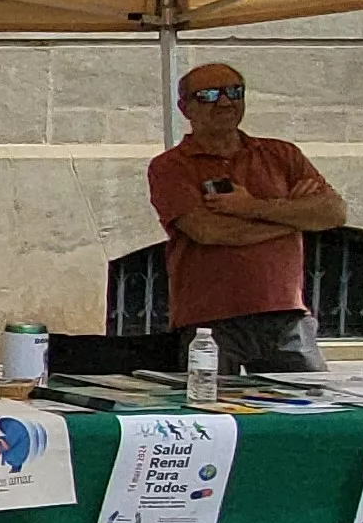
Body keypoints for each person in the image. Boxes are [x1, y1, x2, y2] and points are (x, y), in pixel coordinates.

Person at [147, 62, 347, 373]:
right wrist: (294, 217)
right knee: (209, 403)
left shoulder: (282, 154)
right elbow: (208, 231)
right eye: (209, 95)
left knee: (307, 401)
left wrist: (250, 206)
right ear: (185, 108)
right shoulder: (170, 166)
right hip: (209, 322)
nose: (225, 102)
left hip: (286, 316)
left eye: (234, 91)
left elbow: (334, 213)